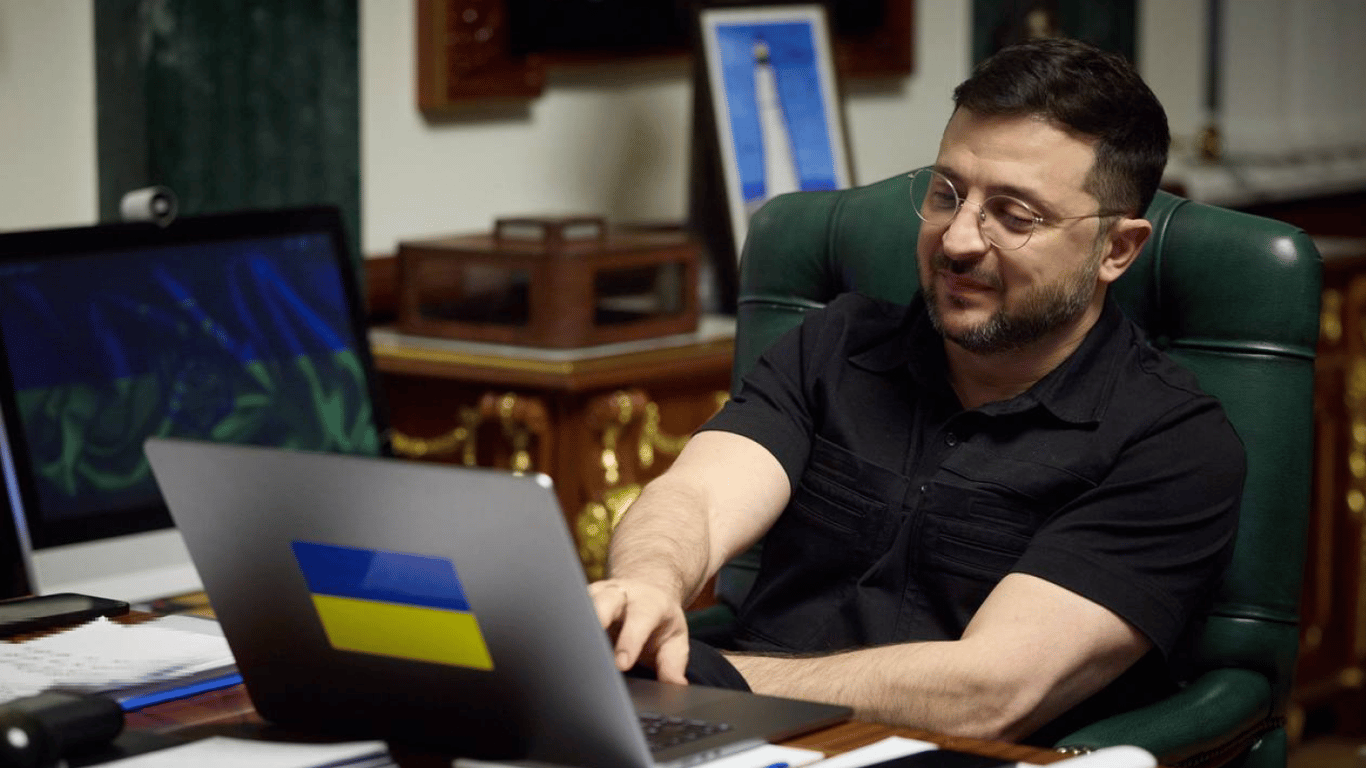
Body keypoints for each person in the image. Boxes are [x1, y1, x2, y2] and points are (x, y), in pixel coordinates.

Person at [589, 37, 1244, 747]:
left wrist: (709, 682)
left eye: (1014, 215)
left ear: (1115, 249)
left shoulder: (1172, 445)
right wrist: (648, 587)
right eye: (946, 195)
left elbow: (988, 692)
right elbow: (695, 498)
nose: (957, 241)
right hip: (731, 742)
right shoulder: (835, 344)